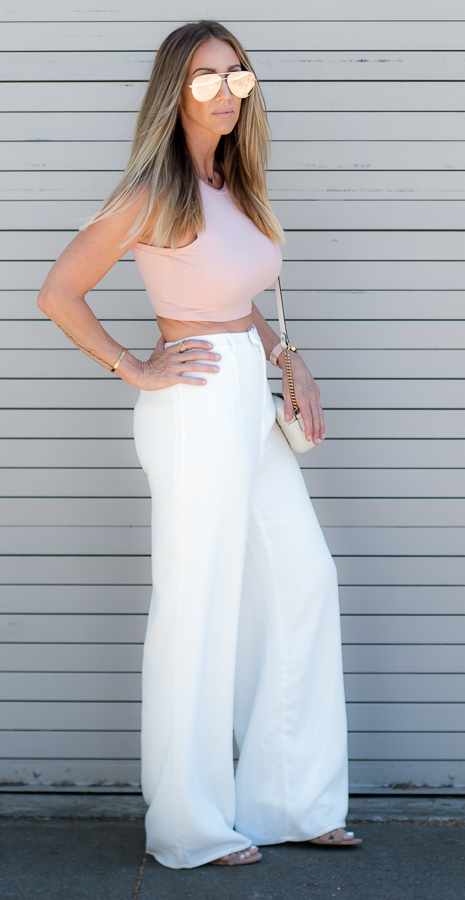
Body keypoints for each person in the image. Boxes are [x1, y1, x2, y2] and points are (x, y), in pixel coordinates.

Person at [36, 20, 361, 869]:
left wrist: (290, 360)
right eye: (206, 77)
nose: (225, 92)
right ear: (174, 91)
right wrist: (133, 367)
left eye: (237, 76)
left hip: (249, 393)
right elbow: (59, 291)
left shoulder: (233, 182)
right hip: (194, 408)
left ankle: (292, 802)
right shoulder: (154, 189)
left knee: (302, 578)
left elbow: (238, 299)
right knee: (199, 605)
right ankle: (191, 824)